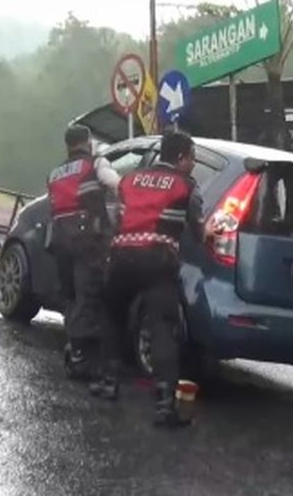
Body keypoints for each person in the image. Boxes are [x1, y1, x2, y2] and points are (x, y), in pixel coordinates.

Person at [106, 130, 211, 428]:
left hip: (122, 258)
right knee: (163, 328)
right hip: (157, 262)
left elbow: (117, 220)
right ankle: (165, 403)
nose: (193, 165)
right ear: (180, 158)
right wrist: (209, 235)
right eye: (191, 158)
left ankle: (108, 382)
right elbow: (197, 230)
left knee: (113, 316)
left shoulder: (130, 180)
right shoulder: (186, 186)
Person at [47, 125, 120, 392]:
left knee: (72, 297)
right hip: (87, 240)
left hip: (59, 242)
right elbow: (115, 183)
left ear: (68, 146)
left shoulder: (55, 173)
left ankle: (76, 350)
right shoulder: (96, 163)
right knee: (88, 296)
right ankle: (82, 357)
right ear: (88, 142)